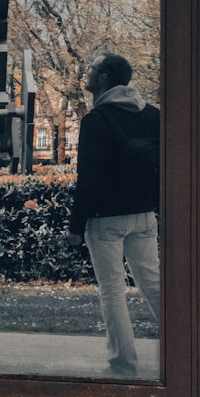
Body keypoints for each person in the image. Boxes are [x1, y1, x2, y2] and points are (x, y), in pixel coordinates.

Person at [67, 52, 161, 378]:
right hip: (144, 216)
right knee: (153, 284)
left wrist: (75, 227)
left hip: (105, 218)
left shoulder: (96, 121)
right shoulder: (153, 116)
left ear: (104, 78)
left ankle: (124, 365)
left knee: (112, 291)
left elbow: (88, 178)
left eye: (91, 69)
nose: (86, 73)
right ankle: (182, 353)